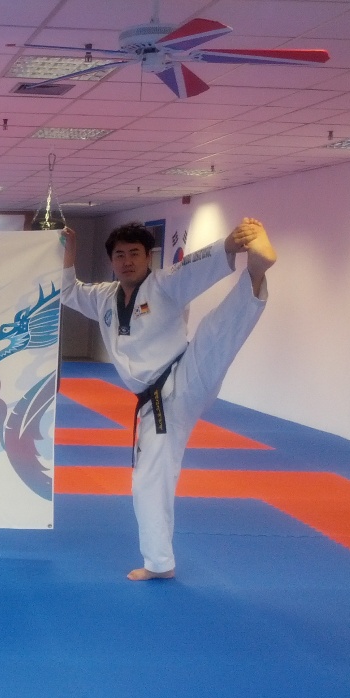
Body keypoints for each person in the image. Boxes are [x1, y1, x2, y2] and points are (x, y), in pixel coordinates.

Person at [61, 218, 276, 581]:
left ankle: (255, 271)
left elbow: (193, 267)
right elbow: (67, 291)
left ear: (149, 257)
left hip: (184, 371)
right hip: (156, 402)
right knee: (148, 480)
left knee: (214, 332)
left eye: (135, 253)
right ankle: (159, 563)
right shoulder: (102, 297)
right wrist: (70, 250)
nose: (127, 261)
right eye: (119, 255)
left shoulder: (164, 284)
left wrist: (228, 245)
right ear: (112, 261)